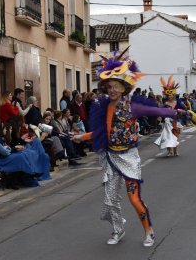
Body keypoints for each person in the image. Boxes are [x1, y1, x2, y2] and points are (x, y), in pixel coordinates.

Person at [72, 52, 187, 247]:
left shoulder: (133, 107)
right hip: (111, 158)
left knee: (134, 199)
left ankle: (148, 230)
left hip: (129, 158)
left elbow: (157, 111)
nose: (112, 90)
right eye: (109, 86)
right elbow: (102, 132)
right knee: (109, 200)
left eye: (116, 86)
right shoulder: (106, 107)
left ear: (124, 87)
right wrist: (81, 137)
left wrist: (179, 111)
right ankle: (118, 229)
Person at [155, 76, 181, 157]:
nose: (169, 96)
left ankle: (176, 151)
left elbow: (184, 110)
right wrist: (159, 116)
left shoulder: (177, 102)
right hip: (167, 122)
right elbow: (160, 111)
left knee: (175, 137)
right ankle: (170, 152)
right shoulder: (165, 104)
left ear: (173, 95)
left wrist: (181, 113)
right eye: (168, 95)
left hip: (176, 122)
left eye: (171, 95)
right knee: (167, 137)